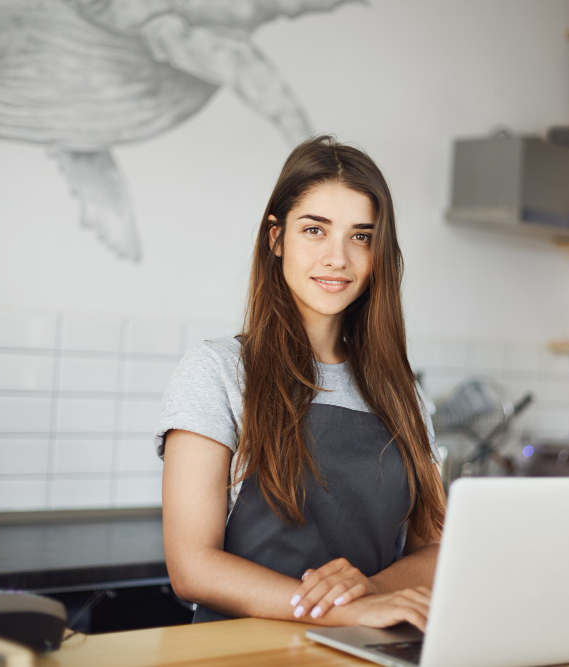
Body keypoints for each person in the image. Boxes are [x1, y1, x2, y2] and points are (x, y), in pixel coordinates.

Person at [156, 135, 445, 631]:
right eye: (315, 230)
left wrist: (368, 590)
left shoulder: (403, 393)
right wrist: (342, 609)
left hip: (362, 649)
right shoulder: (217, 370)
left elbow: (436, 549)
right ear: (276, 238)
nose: (338, 258)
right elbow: (192, 567)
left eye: (361, 236)